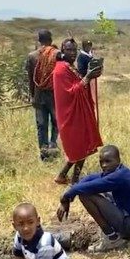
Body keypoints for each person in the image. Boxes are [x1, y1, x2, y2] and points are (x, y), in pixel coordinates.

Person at [56, 145, 130, 252]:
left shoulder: (118, 177)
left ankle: (112, 238)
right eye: (101, 162)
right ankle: (114, 233)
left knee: (85, 194)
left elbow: (86, 187)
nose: (104, 165)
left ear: (118, 160)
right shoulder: (120, 171)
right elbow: (89, 178)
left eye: (108, 161)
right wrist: (71, 193)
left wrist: (66, 197)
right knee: (93, 190)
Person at [53, 38, 103, 184]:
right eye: (69, 50)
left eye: (74, 50)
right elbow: (70, 92)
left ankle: (67, 176)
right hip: (70, 114)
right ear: (63, 51)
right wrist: (87, 77)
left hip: (79, 111)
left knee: (83, 144)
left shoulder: (69, 66)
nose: (72, 53)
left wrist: (92, 75)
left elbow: (79, 84)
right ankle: (72, 178)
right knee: (79, 145)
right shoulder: (61, 70)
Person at [25, 29, 60, 161]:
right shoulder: (57, 54)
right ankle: (53, 145)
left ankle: (44, 153)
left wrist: (32, 96)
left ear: (39, 40)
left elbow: (30, 78)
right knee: (57, 122)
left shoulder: (32, 56)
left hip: (39, 95)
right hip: (55, 95)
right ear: (51, 40)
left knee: (42, 124)